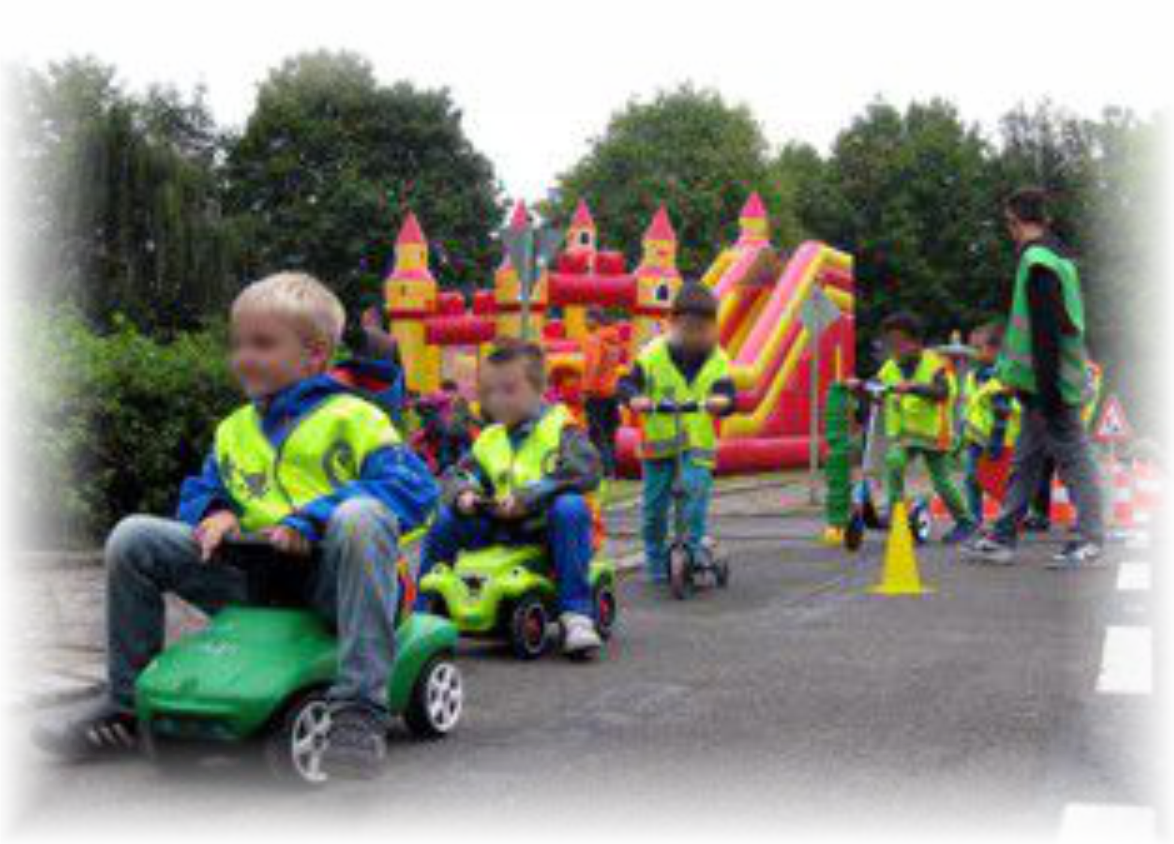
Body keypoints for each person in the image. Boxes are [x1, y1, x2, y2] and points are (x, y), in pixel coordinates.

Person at [29, 273, 439, 781]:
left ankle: (359, 709)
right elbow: (201, 487)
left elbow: (414, 490)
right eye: (238, 343)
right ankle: (126, 704)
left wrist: (312, 520)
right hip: (259, 579)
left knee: (361, 516)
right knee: (133, 536)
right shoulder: (234, 429)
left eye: (262, 344)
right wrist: (214, 511)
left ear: (314, 356)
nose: (243, 356)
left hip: (339, 583)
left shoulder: (356, 418)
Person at [418, 339, 605, 658]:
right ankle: (425, 610)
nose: (497, 400)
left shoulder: (562, 427)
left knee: (570, 507)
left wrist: (530, 496)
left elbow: (585, 468)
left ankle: (576, 614)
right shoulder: (490, 438)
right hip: (501, 525)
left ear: (539, 387)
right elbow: (458, 473)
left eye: (508, 390)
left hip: (548, 528)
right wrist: (465, 492)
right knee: (447, 518)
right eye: (488, 392)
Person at [967, 188, 1105, 567]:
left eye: (1007, 224)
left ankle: (1088, 539)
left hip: (1050, 383)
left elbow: (1046, 331)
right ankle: (1002, 536)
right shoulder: (1059, 256)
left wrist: (1047, 389)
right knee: (1025, 461)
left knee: (1074, 459)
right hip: (1042, 382)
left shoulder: (1037, 261)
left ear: (1013, 220)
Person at [619, 283, 737, 583]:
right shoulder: (653, 354)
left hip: (697, 445)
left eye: (703, 328)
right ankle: (655, 556)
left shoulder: (718, 358)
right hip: (659, 444)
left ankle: (693, 548)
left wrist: (720, 402)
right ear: (673, 324)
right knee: (654, 505)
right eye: (689, 327)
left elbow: (728, 393)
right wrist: (635, 398)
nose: (696, 334)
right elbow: (627, 384)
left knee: (695, 495)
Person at [849, 312, 979, 544]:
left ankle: (965, 520)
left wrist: (913, 387)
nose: (895, 349)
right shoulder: (890, 366)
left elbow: (942, 392)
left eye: (900, 343)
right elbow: (876, 386)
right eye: (890, 344)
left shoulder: (935, 364)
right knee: (895, 463)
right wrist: (859, 385)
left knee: (942, 480)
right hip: (903, 434)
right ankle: (896, 513)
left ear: (917, 343)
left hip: (933, 434)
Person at [1023, 358, 1103, 532]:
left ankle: (1084, 519)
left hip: (1070, 428)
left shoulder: (1085, 368)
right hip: (1050, 425)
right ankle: (1040, 516)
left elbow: (1084, 396)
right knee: (1042, 473)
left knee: (1074, 475)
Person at [961, 322, 1021, 526]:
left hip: (1001, 440)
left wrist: (998, 434)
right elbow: (971, 407)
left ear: (996, 350)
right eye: (971, 348)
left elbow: (1013, 408)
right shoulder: (972, 376)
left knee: (1000, 483)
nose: (973, 353)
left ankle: (1011, 517)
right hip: (975, 439)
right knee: (971, 479)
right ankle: (974, 519)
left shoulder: (1007, 377)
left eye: (978, 348)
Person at [582, 308, 627, 477]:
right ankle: (612, 470)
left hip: (596, 393)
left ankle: (600, 471)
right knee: (609, 434)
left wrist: (586, 389)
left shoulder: (595, 340)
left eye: (587, 319)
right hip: (611, 392)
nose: (584, 323)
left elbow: (592, 366)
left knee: (596, 433)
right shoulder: (614, 339)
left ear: (595, 320)